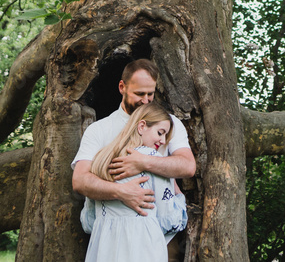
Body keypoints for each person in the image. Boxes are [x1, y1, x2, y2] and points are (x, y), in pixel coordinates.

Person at [72, 59, 195, 260]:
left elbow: (188, 166)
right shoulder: (99, 129)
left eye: (150, 94)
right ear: (122, 87)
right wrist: (121, 192)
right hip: (111, 236)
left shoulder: (167, 123)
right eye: (139, 94)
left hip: (160, 235)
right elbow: (80, 180)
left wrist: (143, 162)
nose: (146, 100)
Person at [82, 102, 177, 262]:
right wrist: (179, 197)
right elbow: (168, 218)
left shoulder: (102, 159)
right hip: (143, 245)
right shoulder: (152, 160)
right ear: (141, 126)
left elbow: (88, 220)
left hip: (104, 245)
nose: (162, 141)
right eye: (160, 133)